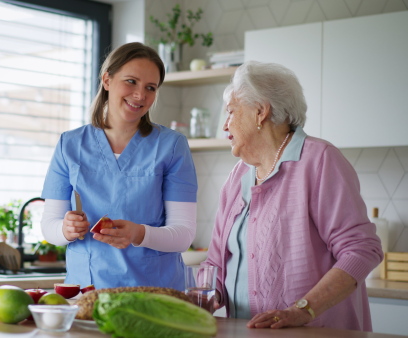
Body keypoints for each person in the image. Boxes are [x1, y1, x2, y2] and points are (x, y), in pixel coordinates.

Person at [203, 61, 383, 331]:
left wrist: (304, 310)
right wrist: (205, 296)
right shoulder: (236, 177)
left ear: (260, 112)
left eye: (231, 112)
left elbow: (361, 250)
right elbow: (215, 262)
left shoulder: (319, 160)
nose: (225, 126)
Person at [40, 42, 198, 291]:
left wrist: (139, 234)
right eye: (131, 81)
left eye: (150, 87)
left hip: (154, 294)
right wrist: (66, 228)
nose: (140, 95)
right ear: (107, 80)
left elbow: (183, 234)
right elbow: (50, 226)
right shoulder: (69, 145)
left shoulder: (171, 146)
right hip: (87, 292)